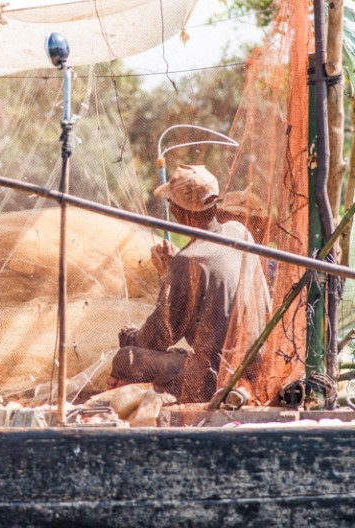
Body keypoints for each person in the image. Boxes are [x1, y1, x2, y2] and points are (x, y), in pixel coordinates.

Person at [108, 165, 271, 406]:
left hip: (214, 377)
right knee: (172, 356)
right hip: (257, 366)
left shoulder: (189, 262)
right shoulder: (240, 232)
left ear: (178, 212)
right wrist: (174, 270)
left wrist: (131, 338)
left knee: (125, 359)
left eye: (171, 204)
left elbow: (160, 335)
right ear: (215, 205)